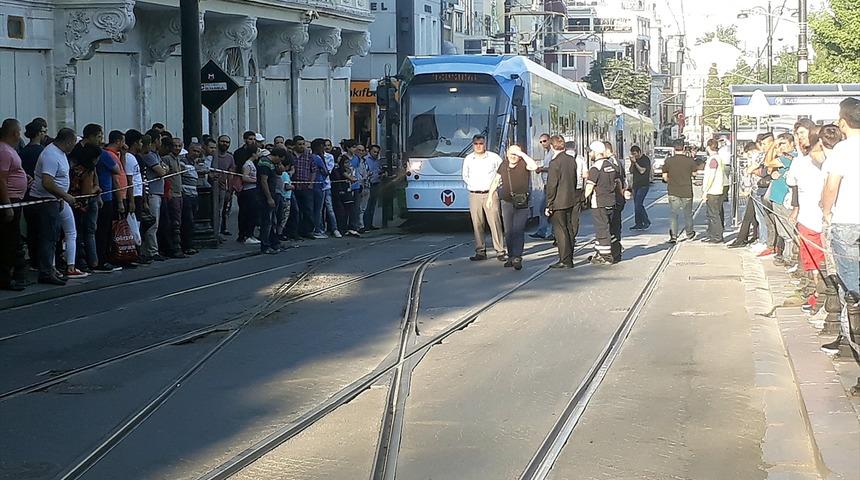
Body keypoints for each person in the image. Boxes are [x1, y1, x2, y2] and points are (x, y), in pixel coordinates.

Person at [820, 97, 860, 355]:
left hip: (847, 220)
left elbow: (831, 185)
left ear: (843, 122)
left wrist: (826, 212)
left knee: (851, 283)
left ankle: (852, 342)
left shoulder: (843, 150)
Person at [29, 128, 77, 285]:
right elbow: (47, 182)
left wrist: (60, 197)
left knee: (53, 236)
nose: (74, 147)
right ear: (68, 141)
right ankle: (46, 272)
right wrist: (64, 195)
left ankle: (50, 269)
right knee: (48, 237)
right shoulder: (51, 155)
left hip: (54, 200)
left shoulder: (60, 153)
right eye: (74, 143)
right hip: (46, 201)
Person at [487, 144, 537, 270]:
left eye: (516, 154)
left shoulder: (523, 164)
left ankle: (517, 257)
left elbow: (534, 166)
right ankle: (511, 256)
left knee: (518, 229)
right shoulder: (503, 165)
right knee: (508, 231)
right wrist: (490, 196)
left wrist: (522, 154)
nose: (513, 156)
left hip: (522, 203)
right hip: (507, 202)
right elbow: (496, 180)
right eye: (511, 154)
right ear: (507, 154)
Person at [462, 134, 505, 261]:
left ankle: (500, 251)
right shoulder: (468, 159)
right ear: (473, 145)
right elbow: (465, 175)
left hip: (490, 193)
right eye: (476, 144)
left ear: (485, 144)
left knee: (495, 222)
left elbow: (502, 172)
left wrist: (496, 186)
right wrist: (473, 185)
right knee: (477, 223)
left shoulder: (494, 158)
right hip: (474, 194)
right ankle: (480, 251)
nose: (478, 146)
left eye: (481, 143)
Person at [0, 119, 30, 290]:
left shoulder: (9, 150)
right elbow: (1, 179)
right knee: (8, 240)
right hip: (10, 199)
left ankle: (12, 274)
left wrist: (24, 177)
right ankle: (5, 277)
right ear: (14, 133)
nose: (20, 134)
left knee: (13, 239)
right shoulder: (4, 151)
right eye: (19, 131)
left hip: (15, 198)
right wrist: (7, 205)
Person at [545, 135, 583, 268]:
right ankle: (570, 257)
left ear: (552, 146)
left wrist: (549, 204)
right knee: (569, 228)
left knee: (560, 231)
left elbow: (552, 185)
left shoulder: (554, 163)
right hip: (571, 199)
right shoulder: (571, 160)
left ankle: (564, 259)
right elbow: (574, 180)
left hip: (558, 202)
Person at [585, 141, 623, 264]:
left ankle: (605, 256)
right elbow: (619, 182)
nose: (589, 154)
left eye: (590, 151)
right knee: (610, 229)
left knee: (602, 230)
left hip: (599, 203)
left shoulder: (595, 168)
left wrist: (582, 199)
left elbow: (589, 187)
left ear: (596, 152)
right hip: (611, 201)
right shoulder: (610, 165)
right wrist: (620, 194)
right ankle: (613, 252)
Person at [69, 143, 101, 274]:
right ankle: (92, 261)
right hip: (85, 204)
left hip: (74, 203)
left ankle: (80, 259)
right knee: (89, 232)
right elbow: (87, 192)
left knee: (78, 232)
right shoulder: (88, 171)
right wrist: (96, 189)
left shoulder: (74, 168)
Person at [662, 138, 698, 243]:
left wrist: (671, 180)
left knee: (674, 214)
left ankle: (673, 236)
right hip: (686, 191)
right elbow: (695, 173)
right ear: (684, 148)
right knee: (688, 214)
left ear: (674, 148)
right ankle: (689, 233)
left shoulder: (668, 161)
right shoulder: (689, 161)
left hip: (673, 191)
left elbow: (664, 177)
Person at [140, 131, 168, 262]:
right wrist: (163, 169)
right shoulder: (149, 155)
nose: (160, 143)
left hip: (158, 192)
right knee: (152, 223)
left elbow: (166, 168)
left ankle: (151, 249)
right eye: (160, 140)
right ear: (155, 141)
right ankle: (152, 251)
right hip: (152, 192)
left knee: (155, 223)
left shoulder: (156, 155)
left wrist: (164, 169)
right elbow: (162, 171)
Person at [257, 147, 286, 254]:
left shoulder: (272, 163)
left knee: (272, 220)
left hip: (273, 193)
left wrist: (279, 165)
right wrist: (269, 198)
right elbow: (263, 181)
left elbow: (280, 172)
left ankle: (274, 243)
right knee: (267, 222)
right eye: (280, 159)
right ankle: (265, 246)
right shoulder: (265, 163)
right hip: (264, 196)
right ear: (277, 156)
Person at [292, 136, 317, 239]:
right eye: (299, 144)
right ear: (295, 145)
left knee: (308, 209)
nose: (302, 146)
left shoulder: (309, 155)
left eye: (303, 144)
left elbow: (313, 170)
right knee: (295, 210)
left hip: (306, 186)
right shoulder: (291, 155)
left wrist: (311, 184)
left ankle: (307, 231)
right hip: (294, 186)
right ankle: (295, 231)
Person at [179, 143, 202, 255]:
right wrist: (196, 168)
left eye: (198, 152)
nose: (196, 153)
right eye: (194, 151)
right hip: (186, 194)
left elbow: (203, 169)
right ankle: (186, 246)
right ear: (189, 150)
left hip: (194, 194)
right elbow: (183, 169)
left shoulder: (195, 162)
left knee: (192, 221)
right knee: (187, 221)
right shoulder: (183, 161)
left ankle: (190, 244)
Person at [530, 133, 553, 240]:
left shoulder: (552, 152)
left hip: (551, 184)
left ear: (549, 140)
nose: (543, 143)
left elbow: (553, 168)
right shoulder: (547, 153)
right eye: (541, 142)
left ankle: (550, 232)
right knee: (543, 209)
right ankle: (543, 231)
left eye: (544, 141)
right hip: (546, 184)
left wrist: (541, 169)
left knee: (546, 209)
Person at [702, 138, 726, 243]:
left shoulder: (713, 160)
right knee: (715, 213)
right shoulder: (719, 158)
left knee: (713, 214)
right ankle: (713, 234)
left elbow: (711, 176)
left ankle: (716, 236)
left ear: (708, 147)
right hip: (718, 188)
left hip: (713, 190)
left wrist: (705, 191)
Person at [237, 144, 261, 244]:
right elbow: (244, 177)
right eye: (258, 152)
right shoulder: (248, 164)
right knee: (249, 213)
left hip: (253, 190)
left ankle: (250, 234)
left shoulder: (252, 164)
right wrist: (256, 180)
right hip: (249, 191)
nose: (259, 154)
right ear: (253, 154)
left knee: (253, 213)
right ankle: (247, 235)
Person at [628, 145, 652, 230]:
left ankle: (646, 221)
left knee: (638, 204)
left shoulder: (645, 159)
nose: (635, 156)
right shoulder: (635, 161)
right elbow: (631, 171)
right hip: (636, 185)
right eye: (633, 154)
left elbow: (642, 171)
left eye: (635, 154)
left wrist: (635, 163)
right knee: (636, 205)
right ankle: (638, 223)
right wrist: (632, 163)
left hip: (643, 185)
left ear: (639, 152)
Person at [310, 138, 330, 239]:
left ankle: (315, 228)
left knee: (313, 208)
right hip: (318, 185)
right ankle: (317, 229)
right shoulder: (317, 158)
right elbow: (325, 171)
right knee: (318, 209)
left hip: (311, 185)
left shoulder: (309, 157)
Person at [321, 139, 341, 238]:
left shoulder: (330, 157)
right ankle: (321, 229)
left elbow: (328, 170)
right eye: (325, 145)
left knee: (330, 208)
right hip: (318, 186)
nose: (327, 147)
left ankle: (334, 228)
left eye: (329, 145)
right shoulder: (315, 156)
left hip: (327, 185)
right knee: (320, 209)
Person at [363, 144, 383, 230]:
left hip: (376, 183)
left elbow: (379, 170)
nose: (376, 154)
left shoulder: (378, 161)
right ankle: (365, 225)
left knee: (373, 205)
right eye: (374, 152)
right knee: (367, 205)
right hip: (368, 184)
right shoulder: (365, 160)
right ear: (370, 151)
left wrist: (381, 174)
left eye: (377, 152)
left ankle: (370, 224)